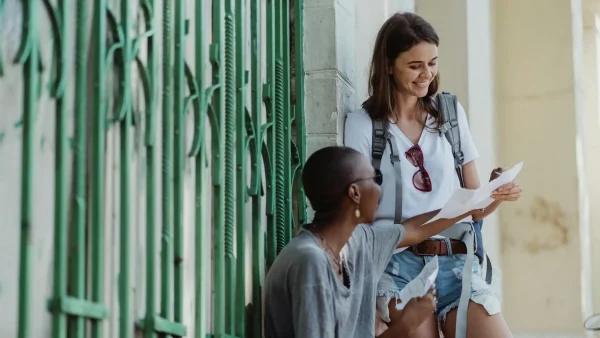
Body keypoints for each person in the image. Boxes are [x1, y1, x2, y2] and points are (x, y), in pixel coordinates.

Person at [344, 12, 522, 338]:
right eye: (415, 66)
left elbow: (476, 206)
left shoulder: (451, 114)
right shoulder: (363, 124)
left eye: (433, 63)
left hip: (457, 264)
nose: (427, 74)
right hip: (397, 268)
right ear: (387, 65)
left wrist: (498, 192)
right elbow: (359, 217)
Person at [263, 146, 479, 338]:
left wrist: (474, 202)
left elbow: (414, 230)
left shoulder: (359, 241)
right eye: (376, 179)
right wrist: (405, 326)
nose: (380, 189)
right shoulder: (310, 262)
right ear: (354, 193)